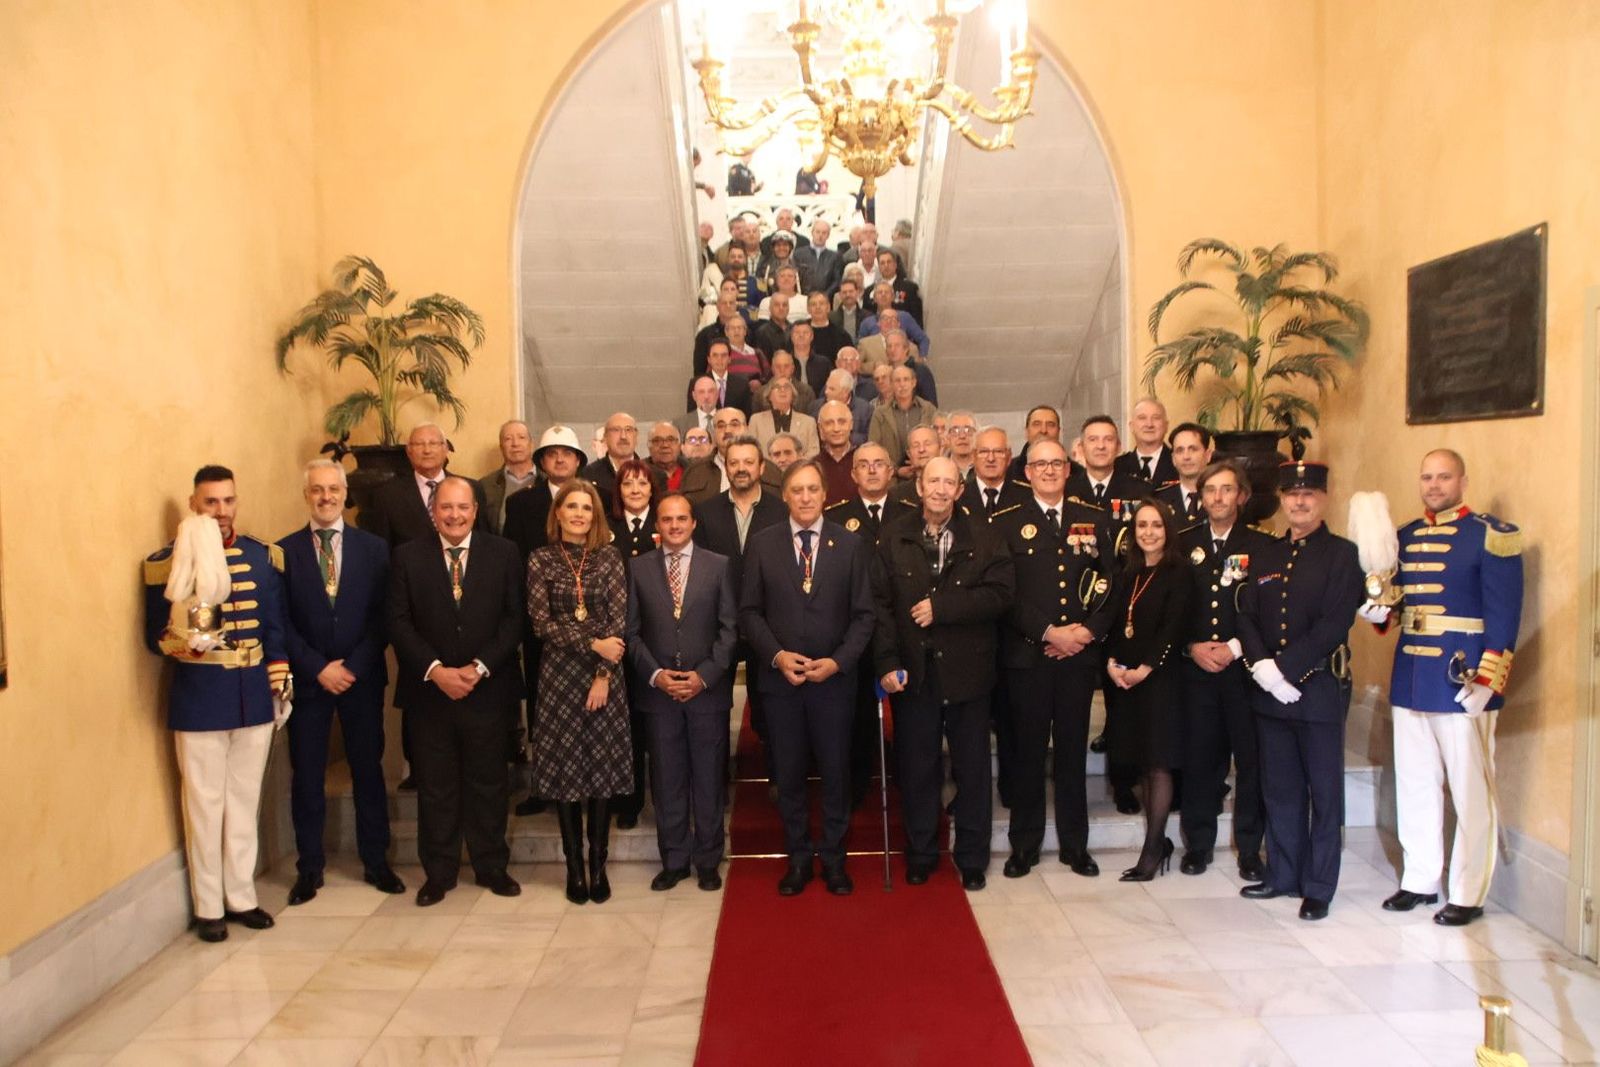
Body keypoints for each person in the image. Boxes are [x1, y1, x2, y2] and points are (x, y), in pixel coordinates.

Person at [1365, 449, 1523, 927]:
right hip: (1413, 676)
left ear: (1463, 481)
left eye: (1444, 477)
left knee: (1471, 790)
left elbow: (1504, 614)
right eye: (1427, 477)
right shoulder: (1406, 536)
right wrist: (1378, 612)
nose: (1434, 485)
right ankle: (1420, 879)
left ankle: (1469, 892)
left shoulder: (1491, 536)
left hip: (1462, 679)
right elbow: (1395, 604)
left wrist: (1488, 679)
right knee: (1415, 783)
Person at [143, 465, 290, 941]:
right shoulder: (168, 561)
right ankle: (209, 907)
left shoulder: (260, 556)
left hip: (253, 697)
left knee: (244, 802)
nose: (221, 510)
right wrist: (184, 643)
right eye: (211, 502)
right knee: (204, 807)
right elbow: (153, 637)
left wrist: (278, 679)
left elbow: (274, 628)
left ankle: (241, 896)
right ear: (194, 504)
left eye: (228, 500)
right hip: (201, 698)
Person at [873, 458, 1012, 891]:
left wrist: (943, 608)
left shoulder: (985, 535)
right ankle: (921, 854)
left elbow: (1001, 595)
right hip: (914, 674)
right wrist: (886, 662)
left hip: (969, 672)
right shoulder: (893, 534)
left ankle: (972, 858)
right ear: (918, 486)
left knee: (972, 770)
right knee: (918, 770)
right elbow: (879, 606)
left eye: (948, 482)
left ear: (959, 489)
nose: (939, 489)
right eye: (932, 480)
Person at [741, 461, 877, 896]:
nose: (804, 497)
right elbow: (749, 612)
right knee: (789, 775)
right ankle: (798, 858)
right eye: (797, 489)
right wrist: (777, 656)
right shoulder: (762, 544)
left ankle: (834, 859)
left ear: (824, 494)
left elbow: (864, 615)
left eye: (812, 489)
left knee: (836, 774)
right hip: (781, 685)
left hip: (834, 684)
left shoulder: (850, 544)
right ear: (785, 495)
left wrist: (838, 662)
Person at [388, 477, 525, 906]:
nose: (454, 515)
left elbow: (515, 619)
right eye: (446, 507)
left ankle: (492, 866)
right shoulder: (407, 556)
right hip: (430, 694)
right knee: (436, 787)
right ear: (434, 512)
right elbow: (398, 621)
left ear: (475, 511)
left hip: (488, 689)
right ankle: (439, 872)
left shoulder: (503, 553)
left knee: (489, 783)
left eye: (462, 507)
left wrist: (479, 667)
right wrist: (436, 671)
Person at [1237, 461, 1363, 921]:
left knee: (1324, 794)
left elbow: (1335, 622)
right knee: (1280, 789)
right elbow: (1246, 614)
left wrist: (1286, 669)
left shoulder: (1342, 555)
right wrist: (1263, 670)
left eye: (1308, 494)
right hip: (1270, 692)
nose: (1299, 502)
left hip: (1320, 689)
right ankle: (1283, 873)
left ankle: (1319, 885)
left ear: (1323, 498)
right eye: (1292, 494)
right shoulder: (1266, 554)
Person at [278, 459, 403, 906]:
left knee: (368, 770)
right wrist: (318, 667)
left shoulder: (374, 549)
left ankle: (376, 860)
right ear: (306, 495)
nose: (326, 497)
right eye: (317, 489)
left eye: (333, 489)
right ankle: (309, 867)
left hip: (361, 678)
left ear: (345, 493)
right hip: (310, 682)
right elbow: (281, 622)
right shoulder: (284, 552)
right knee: (307, 775)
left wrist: (352, 665)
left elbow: (385, 615)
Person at [995, 440, 1116, 879]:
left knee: (1071, 753)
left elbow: (1111, 585)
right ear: (1026, 472)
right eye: (1040, 464)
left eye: (1056, 463)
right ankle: (1024, 845)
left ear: (1068, 469)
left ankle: (1075, 845)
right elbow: (1004, 593)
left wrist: (1084, 633)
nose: (1048, 470)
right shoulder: (1006, 522)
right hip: (1028, 657)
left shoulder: (1094, 518)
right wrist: (1048, 632)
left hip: (1077, 659)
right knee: (1027, 754)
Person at [527, 479, 634, 905]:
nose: (578, 514)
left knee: (601, 774)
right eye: (571, 506)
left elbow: (618, 620)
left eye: (586, 508)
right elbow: (541, 623)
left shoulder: (609, 557)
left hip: (604, 678)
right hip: (559, 678)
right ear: (558, 512)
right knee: (567, 774)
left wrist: (604, 673)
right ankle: (574, 868)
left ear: (595, 516)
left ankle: (598, 866)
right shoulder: (540, 559)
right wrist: (592, 643)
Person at [625, 495, 739, 892]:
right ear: (657, 524)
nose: (674, 525)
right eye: (667, 519)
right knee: (667, 780)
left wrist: (703, 676)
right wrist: (656, 675)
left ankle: (708, 861)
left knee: (708, 780)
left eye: (681, 519)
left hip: (706, 693)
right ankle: (673, 861)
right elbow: (631, 632)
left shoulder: (719, 565)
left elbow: (730, 630)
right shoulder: (637, 568)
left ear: (693, 523)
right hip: (659, 695)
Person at [1177, 459, 1275, 879]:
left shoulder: (1263, 546)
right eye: (1210, 490)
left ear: (1242, 496)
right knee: (1199, 760)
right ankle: (1198, 844)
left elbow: (1271, 612)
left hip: (1244, 672)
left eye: (1227, 489)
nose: (1218, 497)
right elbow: (1172, 609)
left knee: (1251, 762)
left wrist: (1236, 647)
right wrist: (1191, 647)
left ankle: (1249, 848)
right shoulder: (1182, 544)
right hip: (1196, 672)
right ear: (1200, 497)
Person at [1104, 500, 1193, 881]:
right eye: (1142, 525)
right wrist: (1112, 662)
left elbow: (1174, 627)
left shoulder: (1179, 572)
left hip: (1161, 680)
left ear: (1167, 530)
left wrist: (1145, 668)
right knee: (1142, 760)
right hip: (1130, 681)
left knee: (1158, 763)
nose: (1149, 533)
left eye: (1156, 525)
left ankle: (1153, 848)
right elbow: (1116, 623)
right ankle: (1158, 841)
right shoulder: (1129, 572)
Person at [503, 425, 588, 816]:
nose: (559, 459)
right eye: (552, 453)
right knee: (543, 706)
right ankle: (545, 785)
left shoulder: (597, 498)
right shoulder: (522, 503)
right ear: (541, 461)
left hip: (588, 625)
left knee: (588, 705)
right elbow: (512, 563)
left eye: (566, 453)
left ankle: (587, 784)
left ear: (578, 460)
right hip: (541, 624)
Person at [693, 435, 787, 738]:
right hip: (720, 626)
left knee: (769, 714)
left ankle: (772, 768)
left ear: (762, 467)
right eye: (734, 462)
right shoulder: (705, 512)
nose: (741, 468)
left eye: (748, 462)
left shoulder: (781, 512)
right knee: (714, 711)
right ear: (725, 467)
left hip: (768, 626)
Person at [607, 460, 660, 831]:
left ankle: (663, 798)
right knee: (625, 726)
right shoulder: (606, 530)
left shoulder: (665, 523)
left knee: (654, 723)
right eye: (628, 484)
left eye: (642, 483)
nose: (636, 490)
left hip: (655, 638)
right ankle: (628, 800)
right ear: (619, 491)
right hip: (617, 640)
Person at [360, 422, 487, 548]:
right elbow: (381, 547)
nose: (427, 450)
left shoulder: (471, 488)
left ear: (446, 449)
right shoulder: (388, 495)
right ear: (409, 451)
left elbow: (483, 540)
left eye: (433, 443)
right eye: (419, 444)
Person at [867, 364, 937, 472]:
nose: (902, 384)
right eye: (897, 381)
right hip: (891, 476)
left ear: (913, 383)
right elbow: (873, 447)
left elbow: (939, 442)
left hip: (927, 471)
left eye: (906, 379)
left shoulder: (929, 410)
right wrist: (896, 470)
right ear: (891, 384)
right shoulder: (880, 414)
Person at [481, 420, 539, 535]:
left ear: (531, 444)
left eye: (521, 437)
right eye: (508, 439)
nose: (515, 444)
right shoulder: (485, 486)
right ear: (501, 447)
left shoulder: (546, 480)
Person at [680, 407, 748, 504]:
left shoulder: (767, 470)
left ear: (746, 428)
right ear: (713, 433)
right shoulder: (694, 471)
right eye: (721, 426)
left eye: (734, 424)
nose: (727, 430)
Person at [962, 426, 1029, 518]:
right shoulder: (959, 495)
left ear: (1009, 457)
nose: (991, 459)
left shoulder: (1027, 496)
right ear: (973, 456)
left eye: (998, 451)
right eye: (984, 452)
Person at [582, 412, 651, 499]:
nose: (623, 436)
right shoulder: (588, 474)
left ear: (636, 436)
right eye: (616, 430)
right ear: (605, 437)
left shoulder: (654, 474)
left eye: (628, 430)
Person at [1155, 423, 1213, 525]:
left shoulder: (1221, 497)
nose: (1186, 457)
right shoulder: (1159, 501)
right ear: (1173, 459)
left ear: (1208, 455)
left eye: (1193, 449)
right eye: (1180, 450)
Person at [750, 378, 820, 458]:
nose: (782, 390)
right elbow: (751, 450)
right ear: (769, 395)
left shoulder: (808, 422)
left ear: (793, 395)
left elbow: (814, 452)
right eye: (777, 387)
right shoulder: (756, 421)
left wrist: (796, 463)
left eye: (787, 387)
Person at [1115, 398, 1180, 485]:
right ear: (1131, 426)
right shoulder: (1116, 467)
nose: (1149, 424)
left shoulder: (1180, 462)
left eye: (1156, 418)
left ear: (1166, 426)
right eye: (1142, 418)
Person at [814, 400, 857, 506]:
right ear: (820, 428)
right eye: (829, 423)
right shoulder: (813, 466)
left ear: (851, 424)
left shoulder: (864, 461)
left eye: (842, 422)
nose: (836, 429)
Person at [696, 341, 754, 418]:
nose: (719, 359)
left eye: (723, 355)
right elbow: (692, 416)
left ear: (729, 359)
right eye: (715, 355)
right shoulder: (697, 383)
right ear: (709, 359)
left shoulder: (742, 384)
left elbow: (747, 417)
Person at [1007, 405, 1064, 483]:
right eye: (1037, 424)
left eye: (1050, 425)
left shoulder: (1076, 473)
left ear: (1059, 432)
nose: (1043, 430)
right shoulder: (1008, 472)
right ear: (1027, 431)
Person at [888, 425, 941, 504]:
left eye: (927, 444)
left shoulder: (954, 488)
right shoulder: (896, 495)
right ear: (909, 454)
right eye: (916, 446)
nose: (921, 449)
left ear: (940, 448)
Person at [875, 248, 925, 326]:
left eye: (889, 262)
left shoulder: (910, 288)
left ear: (895, 265)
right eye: (882, 263)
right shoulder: (870, 290)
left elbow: (917, 319)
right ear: (878, 267)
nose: (886, 265)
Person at [788, 321, 835, 397]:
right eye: (797, 333)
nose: (801, 336)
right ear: (791, 337)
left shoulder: (823, 363)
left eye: (805, 333)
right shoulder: (785, 363)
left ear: (812, 336)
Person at [646, 421, 685, 492]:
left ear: (679, 445)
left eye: (671, 440)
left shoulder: (693, 471)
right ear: (649, 446)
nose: (665, 445)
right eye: (657, 441)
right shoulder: (639, 472)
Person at [830, 277, 868, 341]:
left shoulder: (867, 316)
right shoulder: (831, 318)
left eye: (851, 291)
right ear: (840, 295)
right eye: (844, 292)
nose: (848, 295)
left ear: (857, 292)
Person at [945, 410, 979, 483]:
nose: (962, 436)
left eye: (968, 430)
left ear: (977, 435)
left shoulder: (986, 467)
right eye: (955, 431)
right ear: (947, 437)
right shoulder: (939, 468)